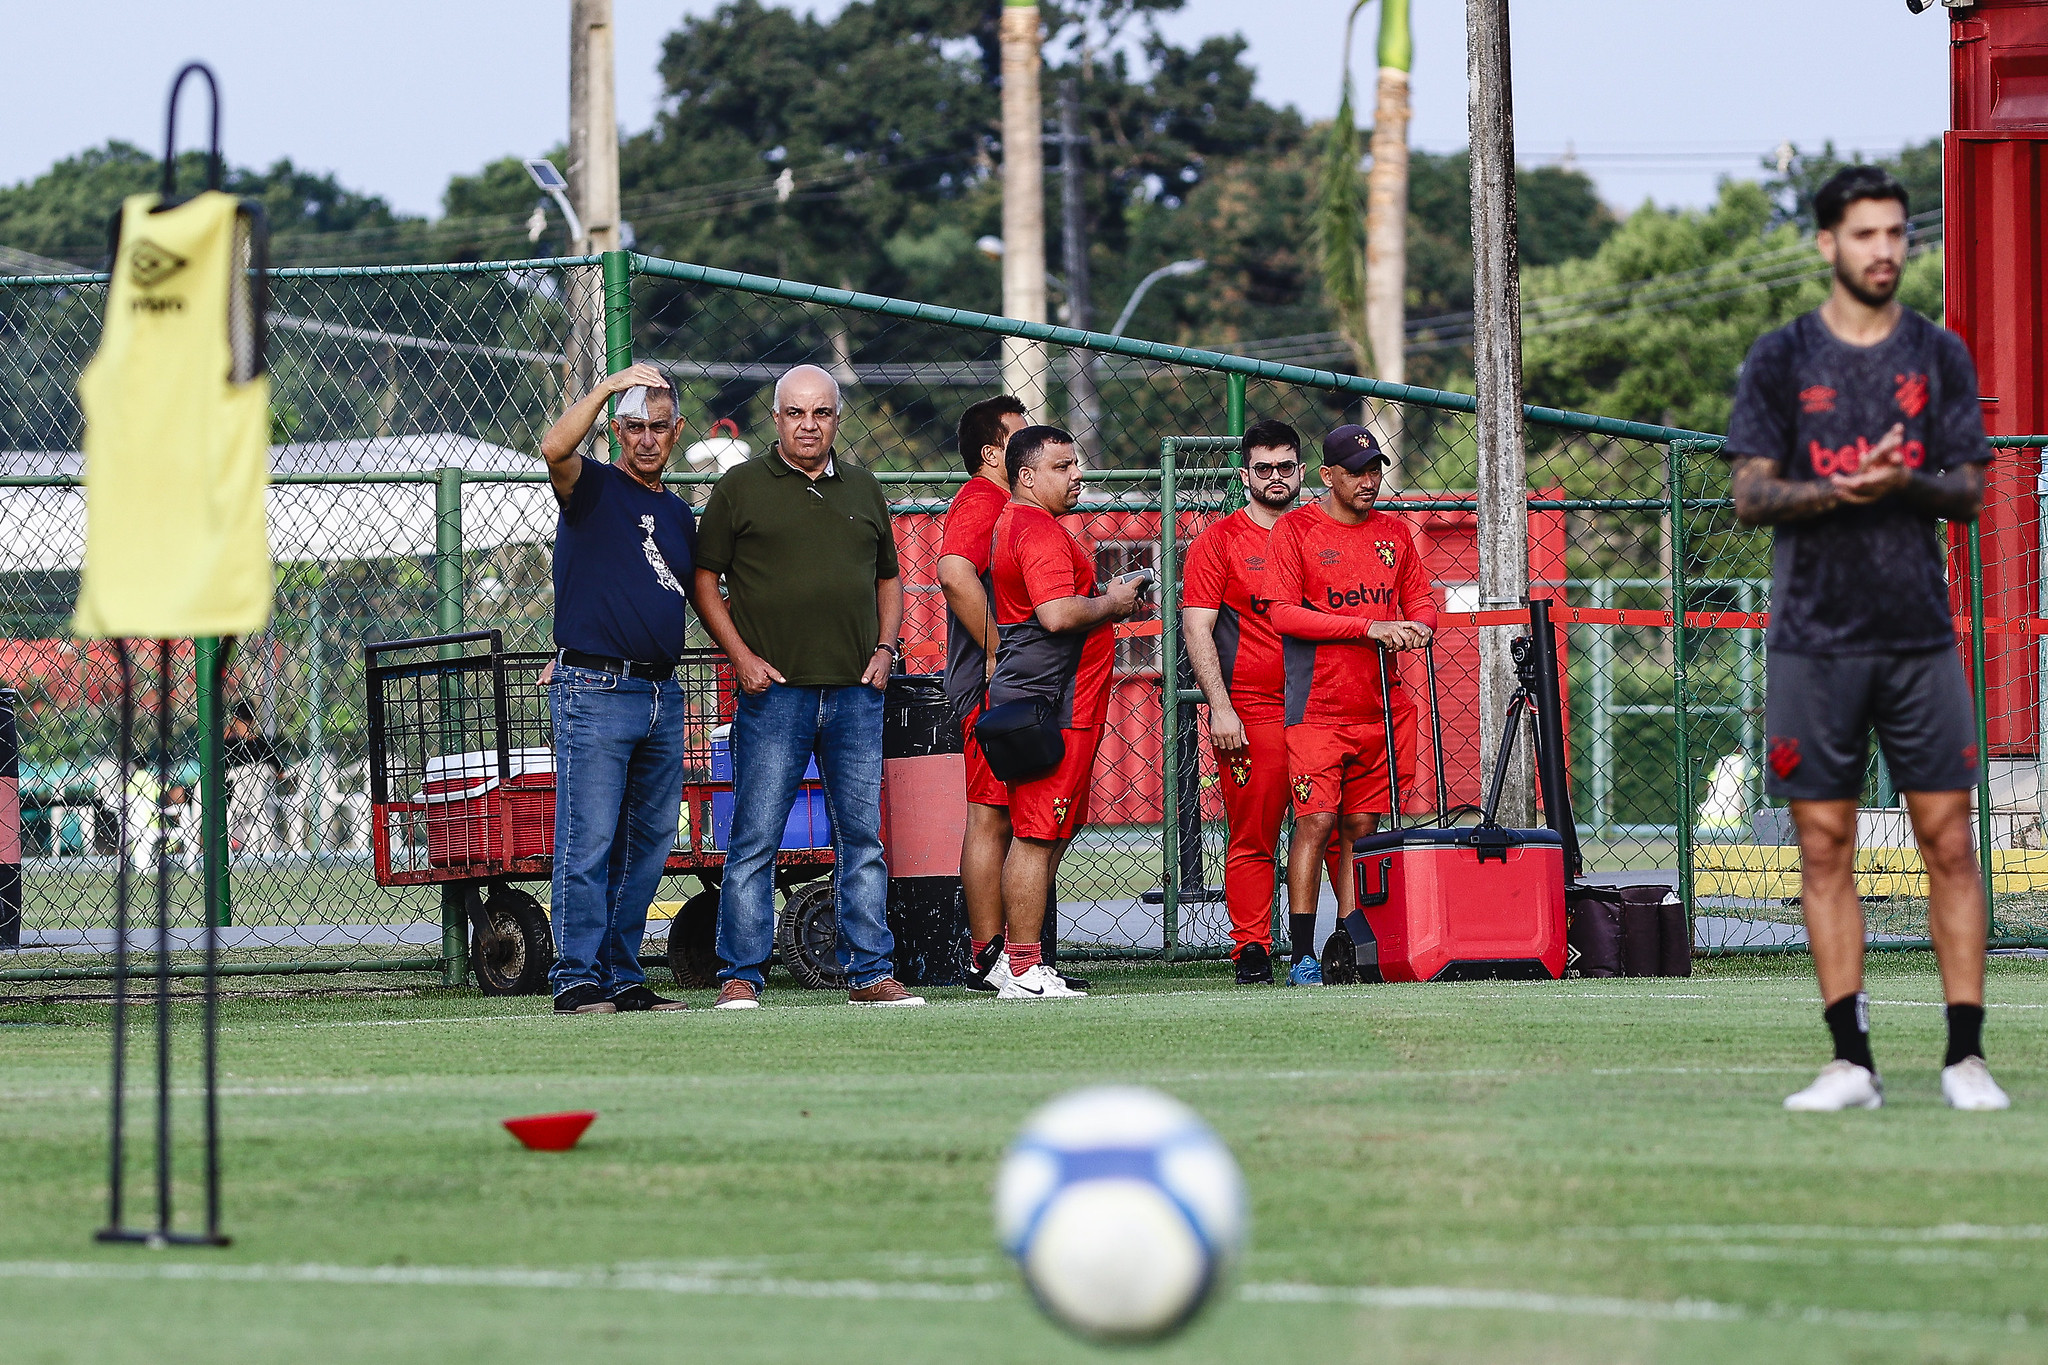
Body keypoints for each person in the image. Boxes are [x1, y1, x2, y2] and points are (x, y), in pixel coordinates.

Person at [1724, 166, 2007, 1112]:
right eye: (1865, 235)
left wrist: (1905, 481)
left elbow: (1969, 489)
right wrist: (1837, 490)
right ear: (1827, 245)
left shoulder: (1938, 355)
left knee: (1949, 840)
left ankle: (1966, 1057)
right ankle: (1852, 1059)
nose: (1885, 250)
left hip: (1917, 637)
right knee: (1823, 846)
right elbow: (1751, 493)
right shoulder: (1779, 358)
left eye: (1896, 233)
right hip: (1812, 639)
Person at [692, 364, 922, 1009]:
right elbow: (705, 581)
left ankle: (870, 972)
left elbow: (888, 579)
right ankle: (740, 974)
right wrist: (739, 656)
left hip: (857, 692)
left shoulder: (864, 487)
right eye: (796, 413)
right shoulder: (739, 488)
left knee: (862, 839)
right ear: (777, 417)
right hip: (774, 695)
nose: (808, 425)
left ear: (837, 420)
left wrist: (885, 651)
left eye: (821, 413)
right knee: (755, 840)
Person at [536, 361, 698, 1014]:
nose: (647, 439)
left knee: (648, 846)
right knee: (589, 839)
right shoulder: (592, 485)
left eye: (659, 426)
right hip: (595, 688)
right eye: (633, 426)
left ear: (676, 430)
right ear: (616, 430)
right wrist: (605, 387)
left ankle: (623, 975)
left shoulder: (681, 515)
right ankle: (577, 977)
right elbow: (552, 448)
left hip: (661, 694)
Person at [1266, 425, 1436, 984]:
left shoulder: (1395, 533)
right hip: (1316, 710)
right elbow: (1284, 615)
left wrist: (1419, 628)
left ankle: (1351, 942)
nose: (1369, 481)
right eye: (1357, 471)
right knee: (1313, 821)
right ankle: (1301, 955)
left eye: (1376, 469)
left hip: (1379, 709)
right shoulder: (1295, 531)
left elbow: (1421, 602)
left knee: (1362, 825)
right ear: (1328, 476)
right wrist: (1370, 627)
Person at [1181, 419, 1345, 985]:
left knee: (1335, 826)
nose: (1275, 477)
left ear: (1303, 471)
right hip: (1254, 707)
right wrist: (1221, 708)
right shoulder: (1218, 543)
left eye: (1285, 467)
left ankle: (1346, 940)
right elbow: (1196, 630)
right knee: (1254, 833)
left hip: (1325, 706)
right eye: (1263, 468)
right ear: (1244, 473)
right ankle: (1251, 947)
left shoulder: (1328, 532)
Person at [986, 425, 1141, 1000]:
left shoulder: (1027, 524)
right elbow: (1054, 615)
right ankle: (1022, 967)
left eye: (1076, 465)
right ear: (1026, 475)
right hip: (1055, 704)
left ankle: (1020, 961)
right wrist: (1113, 602)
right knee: (1035, 832)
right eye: (1062, 466)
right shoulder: (1036, 527)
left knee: (1047, 831)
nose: (1077, 475)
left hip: (1055, 700)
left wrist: (1103, 601)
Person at [937, 394, 1030, 990]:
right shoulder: (982, 499)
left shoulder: (1007, 504)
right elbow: (952, 571)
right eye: (1019, 440)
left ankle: (1014, 952)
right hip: (990, 687)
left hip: (1011, 685)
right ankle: (989, 955)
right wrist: (997, 648)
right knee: (990, 817)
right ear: (993, 452)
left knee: (1010, 817)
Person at [223, 701, 285, 854]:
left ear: (234, 720)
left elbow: (220, 773)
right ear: (254, 718)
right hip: (262, 800)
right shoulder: (265, 744)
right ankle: (268, 847)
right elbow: (280, 774)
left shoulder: (229, 746)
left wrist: (229, 729)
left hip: (233, 801)